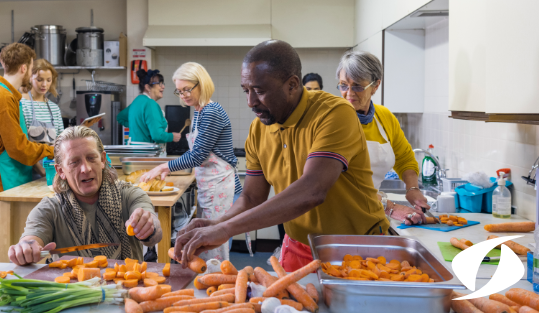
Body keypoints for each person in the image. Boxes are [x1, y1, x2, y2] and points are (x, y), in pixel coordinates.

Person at [172, 40, 389, 272]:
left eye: (260, 91)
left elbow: (312, 191)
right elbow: (252, 198)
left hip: (355, 249)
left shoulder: (335, 113)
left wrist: (226, 229)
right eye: (246, 90)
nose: (250, 102)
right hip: (299, 246)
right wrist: (217, 223)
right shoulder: (259, 129)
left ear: (292, 85)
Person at [7, 126, 162, 265]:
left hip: (127, 288)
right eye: (74, 162)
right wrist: (26, 248)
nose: (85, 169)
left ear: (102, 160)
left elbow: (155, 232)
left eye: (91, 158)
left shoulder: (130, 195)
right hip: (72, 292)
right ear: (60, 171)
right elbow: (31, 238)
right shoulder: (49, 209)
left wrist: (149, 227)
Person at [140, 62, 242, 262]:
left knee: (215, 245)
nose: (184, 95)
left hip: (219, 186)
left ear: (201, 84)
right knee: (208, 240)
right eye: (179, 91)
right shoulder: (199, 111)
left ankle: (218, 284)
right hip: (211, 185)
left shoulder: (211, 112)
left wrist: (164, 166)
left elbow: (198, 155)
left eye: (187, 89)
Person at [0, 43, 54, 262]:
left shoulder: (10, 95)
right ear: (23, 69)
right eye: (31, 69)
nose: (31, 74)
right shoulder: (2, 98)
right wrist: (51, 150)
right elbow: (18, 148)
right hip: (3, 178)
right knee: (2, 242)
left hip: (13, 176)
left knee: (13, 242)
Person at [336, 50, 427, 226]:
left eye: (357, 86)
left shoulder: (383, 116)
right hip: (339, 215)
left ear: (375, 86)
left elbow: (404, 158)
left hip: (372, 214)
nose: (349, 93)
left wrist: (412, 188)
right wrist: (389, 207)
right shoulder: (333, 120)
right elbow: (339, 184)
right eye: (343, 85)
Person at [117, 69, 181, 146]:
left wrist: (140, 126)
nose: (163, 87)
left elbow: (120, 117)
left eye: (162, 83)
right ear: (148, 87)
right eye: (159, 84)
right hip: (146, 152)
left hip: (133, 149)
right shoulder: (150, 104)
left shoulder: (137, 101)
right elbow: (157, 136)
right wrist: (172, 136)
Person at [21, 58, 64, 145]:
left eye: (48, 80)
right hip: (30, 158)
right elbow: (20, 141)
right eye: (39, 80)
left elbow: (62, 140)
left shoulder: (55, 109)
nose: (44, 84)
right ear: (30, 78)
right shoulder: (22, 105)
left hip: (51, 158)